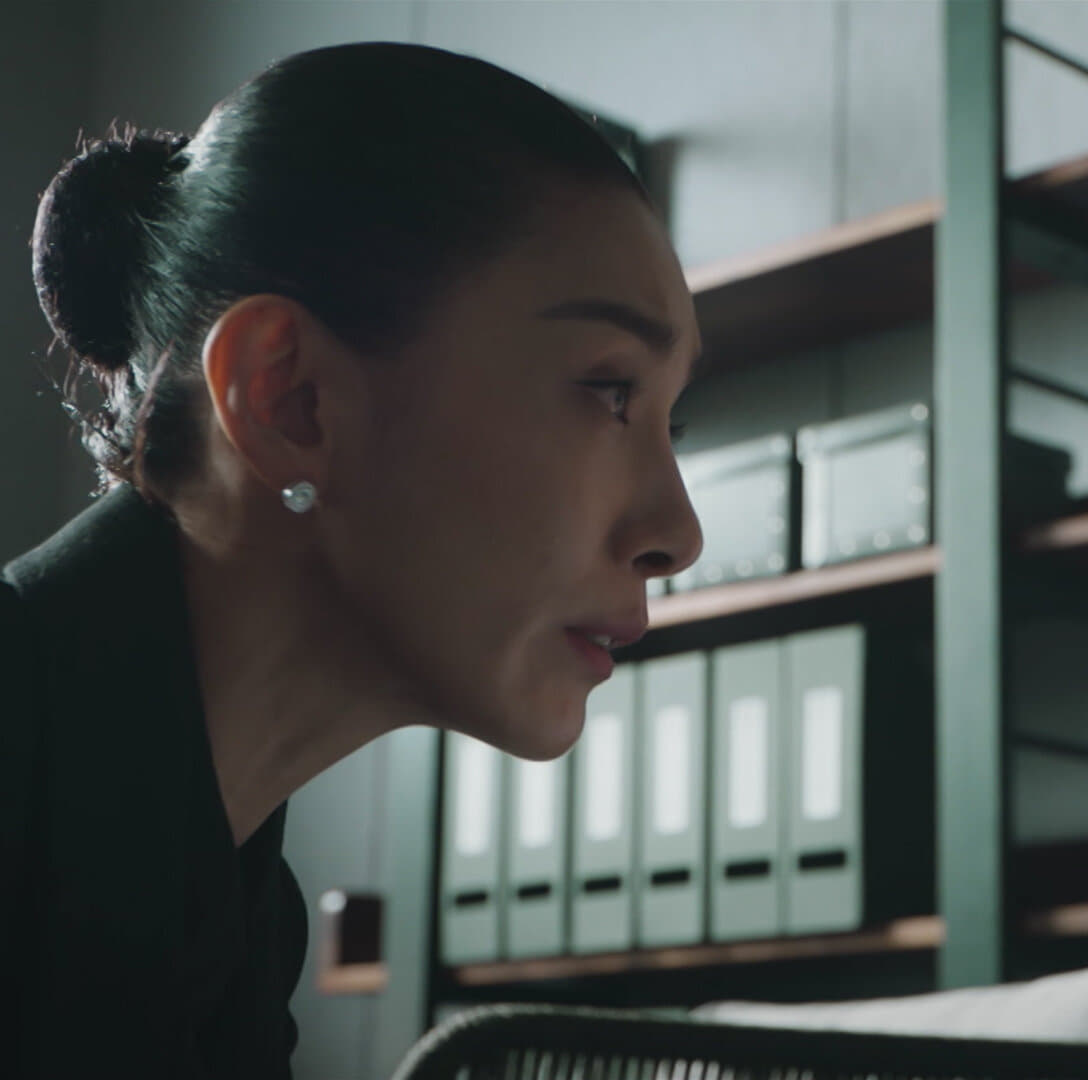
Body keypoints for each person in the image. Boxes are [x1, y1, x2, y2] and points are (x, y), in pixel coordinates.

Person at [1, 43, 701, 1078]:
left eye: (672, 420)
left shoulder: (241, 923)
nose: (679, 532)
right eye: (610, 392)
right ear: (289, 400)